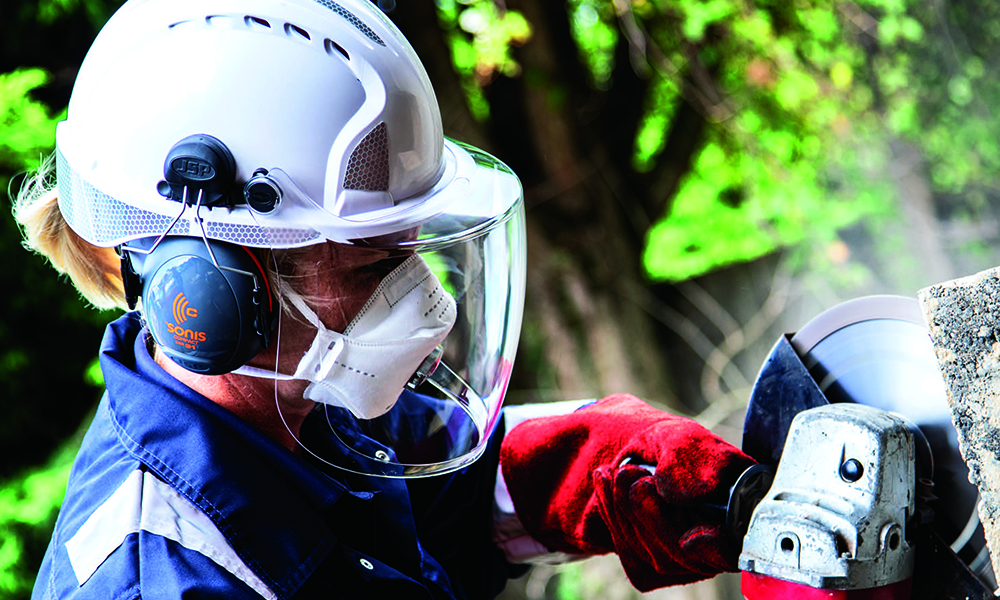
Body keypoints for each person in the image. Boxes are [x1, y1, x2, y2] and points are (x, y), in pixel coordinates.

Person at [15, 0, 755, 598]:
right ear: (213, 293)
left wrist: (603, 462)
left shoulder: (302, 409)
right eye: (377, 265)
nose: (425, 301)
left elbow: (451, 487)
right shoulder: (168, 580)